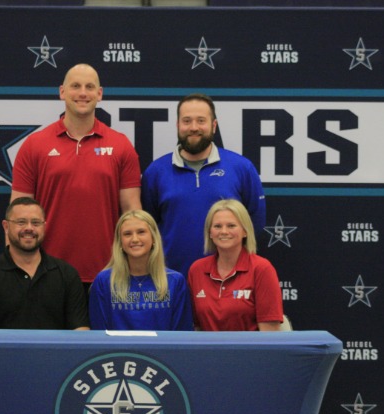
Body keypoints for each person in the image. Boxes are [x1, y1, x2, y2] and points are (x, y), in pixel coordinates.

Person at [10, 63, 141, 290]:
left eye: (89, 87)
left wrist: (136, 268)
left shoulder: (121, 145)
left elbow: (132, 211)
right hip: (45, 273)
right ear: (62, 92)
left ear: (99, 94)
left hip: (107, 274)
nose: (82, 93)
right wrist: (15, 271)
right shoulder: (34, 145)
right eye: (75, 86)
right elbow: (17, 214)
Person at [141, 93, 266, 277]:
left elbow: (254, 223)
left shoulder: (241, 168)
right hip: (171, 278)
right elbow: (147, 226)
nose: (194, 127)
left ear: (213, 126)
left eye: (201, 121)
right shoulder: (155, 172)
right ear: (177, 125)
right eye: (187, 121)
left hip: (227, 280)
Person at [0, 197, 89, 330]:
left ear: (44, 226)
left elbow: (80, 331)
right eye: (21, 222)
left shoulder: (67, 275)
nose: (29, 228)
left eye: (36, 223)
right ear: (6, 227)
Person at [89, 210, 193, 331]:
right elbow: (99, 334)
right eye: (127, 234)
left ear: (154, 238)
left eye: (141, 232)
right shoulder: (104, 282)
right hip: (117, 345)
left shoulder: (175, 282)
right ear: (120, 242)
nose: (135, 239)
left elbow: (181, 334)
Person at [188, 199, 283, 331]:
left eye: (231, 226)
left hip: (251, 345)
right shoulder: (197, 270)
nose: (224, 231)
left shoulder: (262, 268)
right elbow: (196, 327)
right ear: (210, 232)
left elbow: (270, 334)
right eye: (217, 226)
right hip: (208, 345)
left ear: (245, 231)